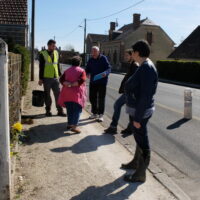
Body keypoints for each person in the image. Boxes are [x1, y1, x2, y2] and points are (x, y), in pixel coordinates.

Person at [121, 40, 158, 183]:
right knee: (139, 137)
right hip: (138, 109)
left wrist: (137, 118)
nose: (131, 54)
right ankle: (136, 163)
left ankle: (140, 174)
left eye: (133, 52)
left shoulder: (147, 68)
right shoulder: (143, 66)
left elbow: (145, 95)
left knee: (143, 141)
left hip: (140, 111)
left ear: (137, 53)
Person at [104, 49, 138, 135]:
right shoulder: (132, 64)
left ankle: (113, 127)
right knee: (130, 111)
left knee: (117, 105)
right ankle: (130, 128)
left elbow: (135, 80)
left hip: (129, 93)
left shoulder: (135, 65)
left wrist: (129, 90)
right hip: (129, 92)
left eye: (127, 55)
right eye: (125, 55)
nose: (125, 57)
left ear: (132, 55)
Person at [58, 56, 87, 133]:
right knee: (77, 110)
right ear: (80, 63)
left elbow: (61, 79)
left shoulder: (67, 70)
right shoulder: (82, 71)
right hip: (76, 94)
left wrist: (67, 84)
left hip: (67, 93)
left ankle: (69, 124)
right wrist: (72, 84)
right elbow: (82, 80)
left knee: (69, 109)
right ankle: (74, 126)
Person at [39, 39, 65, 117]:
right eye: (53, 45)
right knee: (47, 95)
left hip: (55, 78)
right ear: (49, 45)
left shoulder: (56, 53)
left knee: (58, 95)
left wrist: (60, 75)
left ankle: (60, 111)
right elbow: (41, 67)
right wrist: (40, 78)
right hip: (46, 78)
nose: (55, 47)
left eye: (55, 45)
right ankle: (48, 111)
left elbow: (57, 64)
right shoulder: (43, 54)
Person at [86, 46, 111, 122]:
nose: (93, 53)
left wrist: (105, 73)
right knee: (92, 98)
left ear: (98, 52)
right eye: (92, 51)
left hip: (102, 82)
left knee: (101, 98)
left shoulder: (103, 58)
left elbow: (109, 68)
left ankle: (101, 115)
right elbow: (87, 69)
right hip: (93, 82)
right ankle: (94, 113)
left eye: (95, 51)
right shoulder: (90, 60)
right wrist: (87, 73)